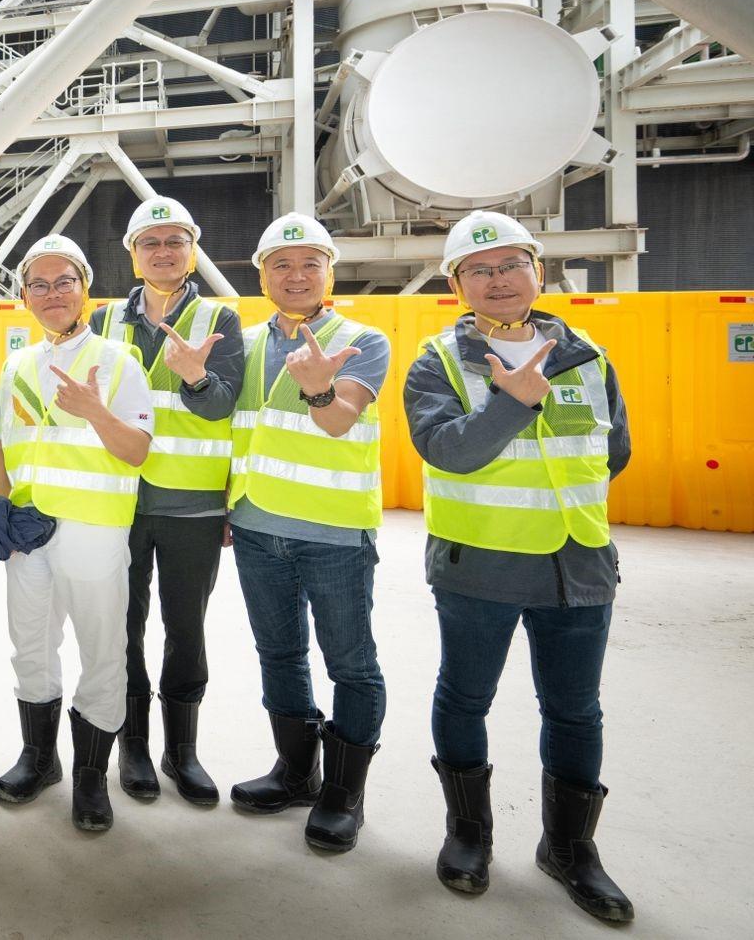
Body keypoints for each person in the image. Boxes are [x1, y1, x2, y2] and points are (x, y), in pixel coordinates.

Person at [405, 211, 634, 922]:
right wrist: (510, 403)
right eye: (480, 269)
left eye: (510, 265)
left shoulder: (587, 354)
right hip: (480, 564)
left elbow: (613, 449)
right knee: (465, 698)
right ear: (457, 284)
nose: (498, 280)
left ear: (538, 270)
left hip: (579, 563)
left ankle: (569, 847)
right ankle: (468, 832)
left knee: (575, 710)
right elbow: (449, 450)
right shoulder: (437, 361)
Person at [227, 213, 390, 853]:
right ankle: (297, 772)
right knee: (280, 654)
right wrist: (225, 507)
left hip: (334, 533)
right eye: (281, 264)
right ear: (262, 273)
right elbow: (233, 432)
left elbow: (340, 420)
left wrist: (322, 392)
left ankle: (344, 795)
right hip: (256, 526)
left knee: (351, 663)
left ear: (329, 271)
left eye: (309, 264)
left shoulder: (362, 339)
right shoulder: (240, 342)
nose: (296, 276)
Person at [0, 236, 154, 832]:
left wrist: (96, 411)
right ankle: (39, 758)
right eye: (39, 284)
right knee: (30, 646)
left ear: (84, 288)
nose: (52, 294)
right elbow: (1, 444)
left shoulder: (118, 361)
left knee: (102, 656)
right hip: (30, 535)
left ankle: (89, 778)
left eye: (64, 282)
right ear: (24, 296)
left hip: (94, 533)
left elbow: (135, 451)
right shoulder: (17, 364)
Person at [89, 196, 243, 806]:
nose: (162, 251)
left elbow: (223, 404)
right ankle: (132, 748)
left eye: (174, 241)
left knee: (186, 628)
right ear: (132, 255)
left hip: (192, 506)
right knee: (123, 629)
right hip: (118, 502)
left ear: (192, 251)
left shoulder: (220, 321)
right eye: (149, 242)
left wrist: (196, 376)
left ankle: (182, 751)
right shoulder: (103, 322)